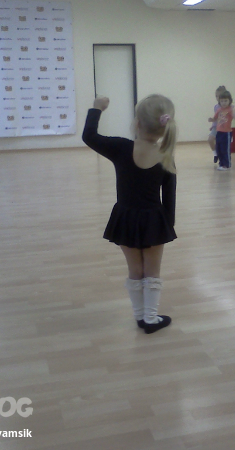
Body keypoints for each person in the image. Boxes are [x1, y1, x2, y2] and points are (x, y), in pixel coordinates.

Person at [82, 94, 177, 334]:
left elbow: (89, 136)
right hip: (154, 221)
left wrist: (97, 108)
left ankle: (140, 317)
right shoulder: (166, 156)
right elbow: (170, 200)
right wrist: (167, 227)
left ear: (137, 123)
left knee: (135, 270)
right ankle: (150, 319)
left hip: (125, 219)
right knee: (152, 272)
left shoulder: (121, 148)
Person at [209, 90, 235, 171]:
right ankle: (221, 163)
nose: (224, 103)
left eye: (226, 101)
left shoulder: (230, 109)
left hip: (227, 132)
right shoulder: (219, 110)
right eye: (222, 101)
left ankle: (226, 164)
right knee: (219, 148)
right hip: (219, 131)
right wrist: (211, 120)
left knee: (225, 149)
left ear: (229, 101)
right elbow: (215, 118)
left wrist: (234, 110)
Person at [208, 86, 227, 164]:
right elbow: (216, 117)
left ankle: (223, 159)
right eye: (216, 96)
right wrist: (213, 125)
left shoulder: (227, 107)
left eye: (219, 96)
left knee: (221, 144)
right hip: (216, 127)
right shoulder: (216, 107)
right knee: (210, 139)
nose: (217, 98)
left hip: (224, 128)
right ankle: (215, 154)